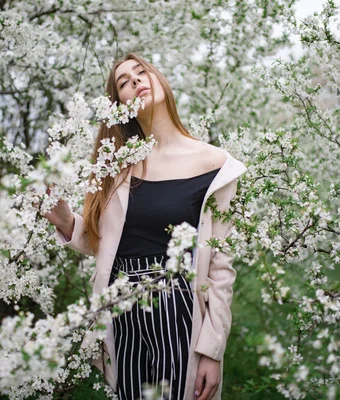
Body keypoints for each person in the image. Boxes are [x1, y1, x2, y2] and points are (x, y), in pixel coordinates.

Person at [42, 53, 247, 400]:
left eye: (142, 72)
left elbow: (221, 269)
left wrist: (212, 349)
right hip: (122, 307)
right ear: (119, 104)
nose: (135, 81)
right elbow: (104, 242)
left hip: (178, 305)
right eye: (124, 82)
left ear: (159, 80)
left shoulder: (216, 164)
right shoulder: (117, 166)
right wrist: (64, 219)